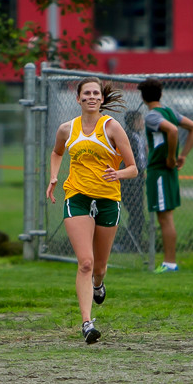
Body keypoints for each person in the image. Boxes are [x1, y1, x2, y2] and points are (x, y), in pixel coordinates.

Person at [46, 76, 137, 344]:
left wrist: (117, 173)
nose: (92, 97)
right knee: (85, 262)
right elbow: (56, 152)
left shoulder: (112, 128)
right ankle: (87, 323)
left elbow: (133, 169)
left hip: (108, 199)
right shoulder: (67, 128)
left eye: (96, 93)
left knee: (99, 266)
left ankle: (99, 284)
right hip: (77, 197)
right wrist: (54, 176)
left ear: (102, 98)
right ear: (78, 98)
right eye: (86, 93)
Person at [138, 77, 193, 273]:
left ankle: (170, 263)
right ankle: (169, 262)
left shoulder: (152, 116)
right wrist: (183, 156)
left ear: (143, 97)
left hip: (160, 171)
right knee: (167, 217)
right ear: (161, 94)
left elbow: (172, 131)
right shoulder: (170, 112)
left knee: (165, 218)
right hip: (167, 172)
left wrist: (172, 158)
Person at [121, 110, 148, 251]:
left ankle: (133, 243)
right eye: (140, 120)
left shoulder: (139, 136)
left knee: (137, 213)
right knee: (136, 213)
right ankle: (130, 243)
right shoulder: (129, 137)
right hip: (130, 181)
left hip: (138, 179)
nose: (142, 123)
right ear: (134, 122)